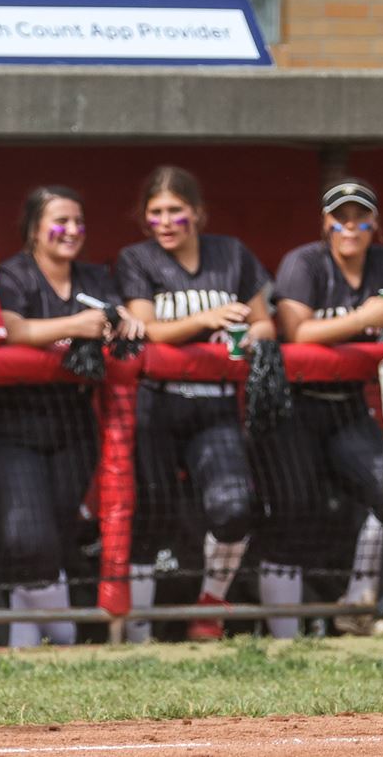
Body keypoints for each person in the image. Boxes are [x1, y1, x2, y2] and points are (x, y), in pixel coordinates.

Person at [253, 178, 383, 638]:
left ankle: (358, 603)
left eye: (360, 218)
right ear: (326, 223)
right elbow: (297, 331)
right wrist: (366, 319)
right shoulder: (305, 262)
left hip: (348, 407)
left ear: (375, 225)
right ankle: (284, 633)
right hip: (294, 407)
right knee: (295, 508)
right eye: (340, 218)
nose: (350, 227)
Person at [0, 185, 144, 648]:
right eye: (60, 221)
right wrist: (72, 326)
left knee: (58, 533)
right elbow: (9, 327)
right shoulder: (12, 274)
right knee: (27, 537)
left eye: (78, 221)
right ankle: (61, 637)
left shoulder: (93, 276)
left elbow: (115, 316)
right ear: (34, 229)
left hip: (70, 422)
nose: (72, 231)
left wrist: (127, 321)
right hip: (8, 423)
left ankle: (30, 650)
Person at [116, 166, 274, 642]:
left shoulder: (232, 253)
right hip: (156, 405)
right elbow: (147, 328)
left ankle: (209, 605)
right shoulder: (136, 258)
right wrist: (206, 318)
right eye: (155, 213)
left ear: (197, 215)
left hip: (216, 403)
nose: (164, 222)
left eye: (175, 212)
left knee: (233, 508)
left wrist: (248, 337)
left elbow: (266, 324)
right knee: (150, 511)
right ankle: (137, 633)